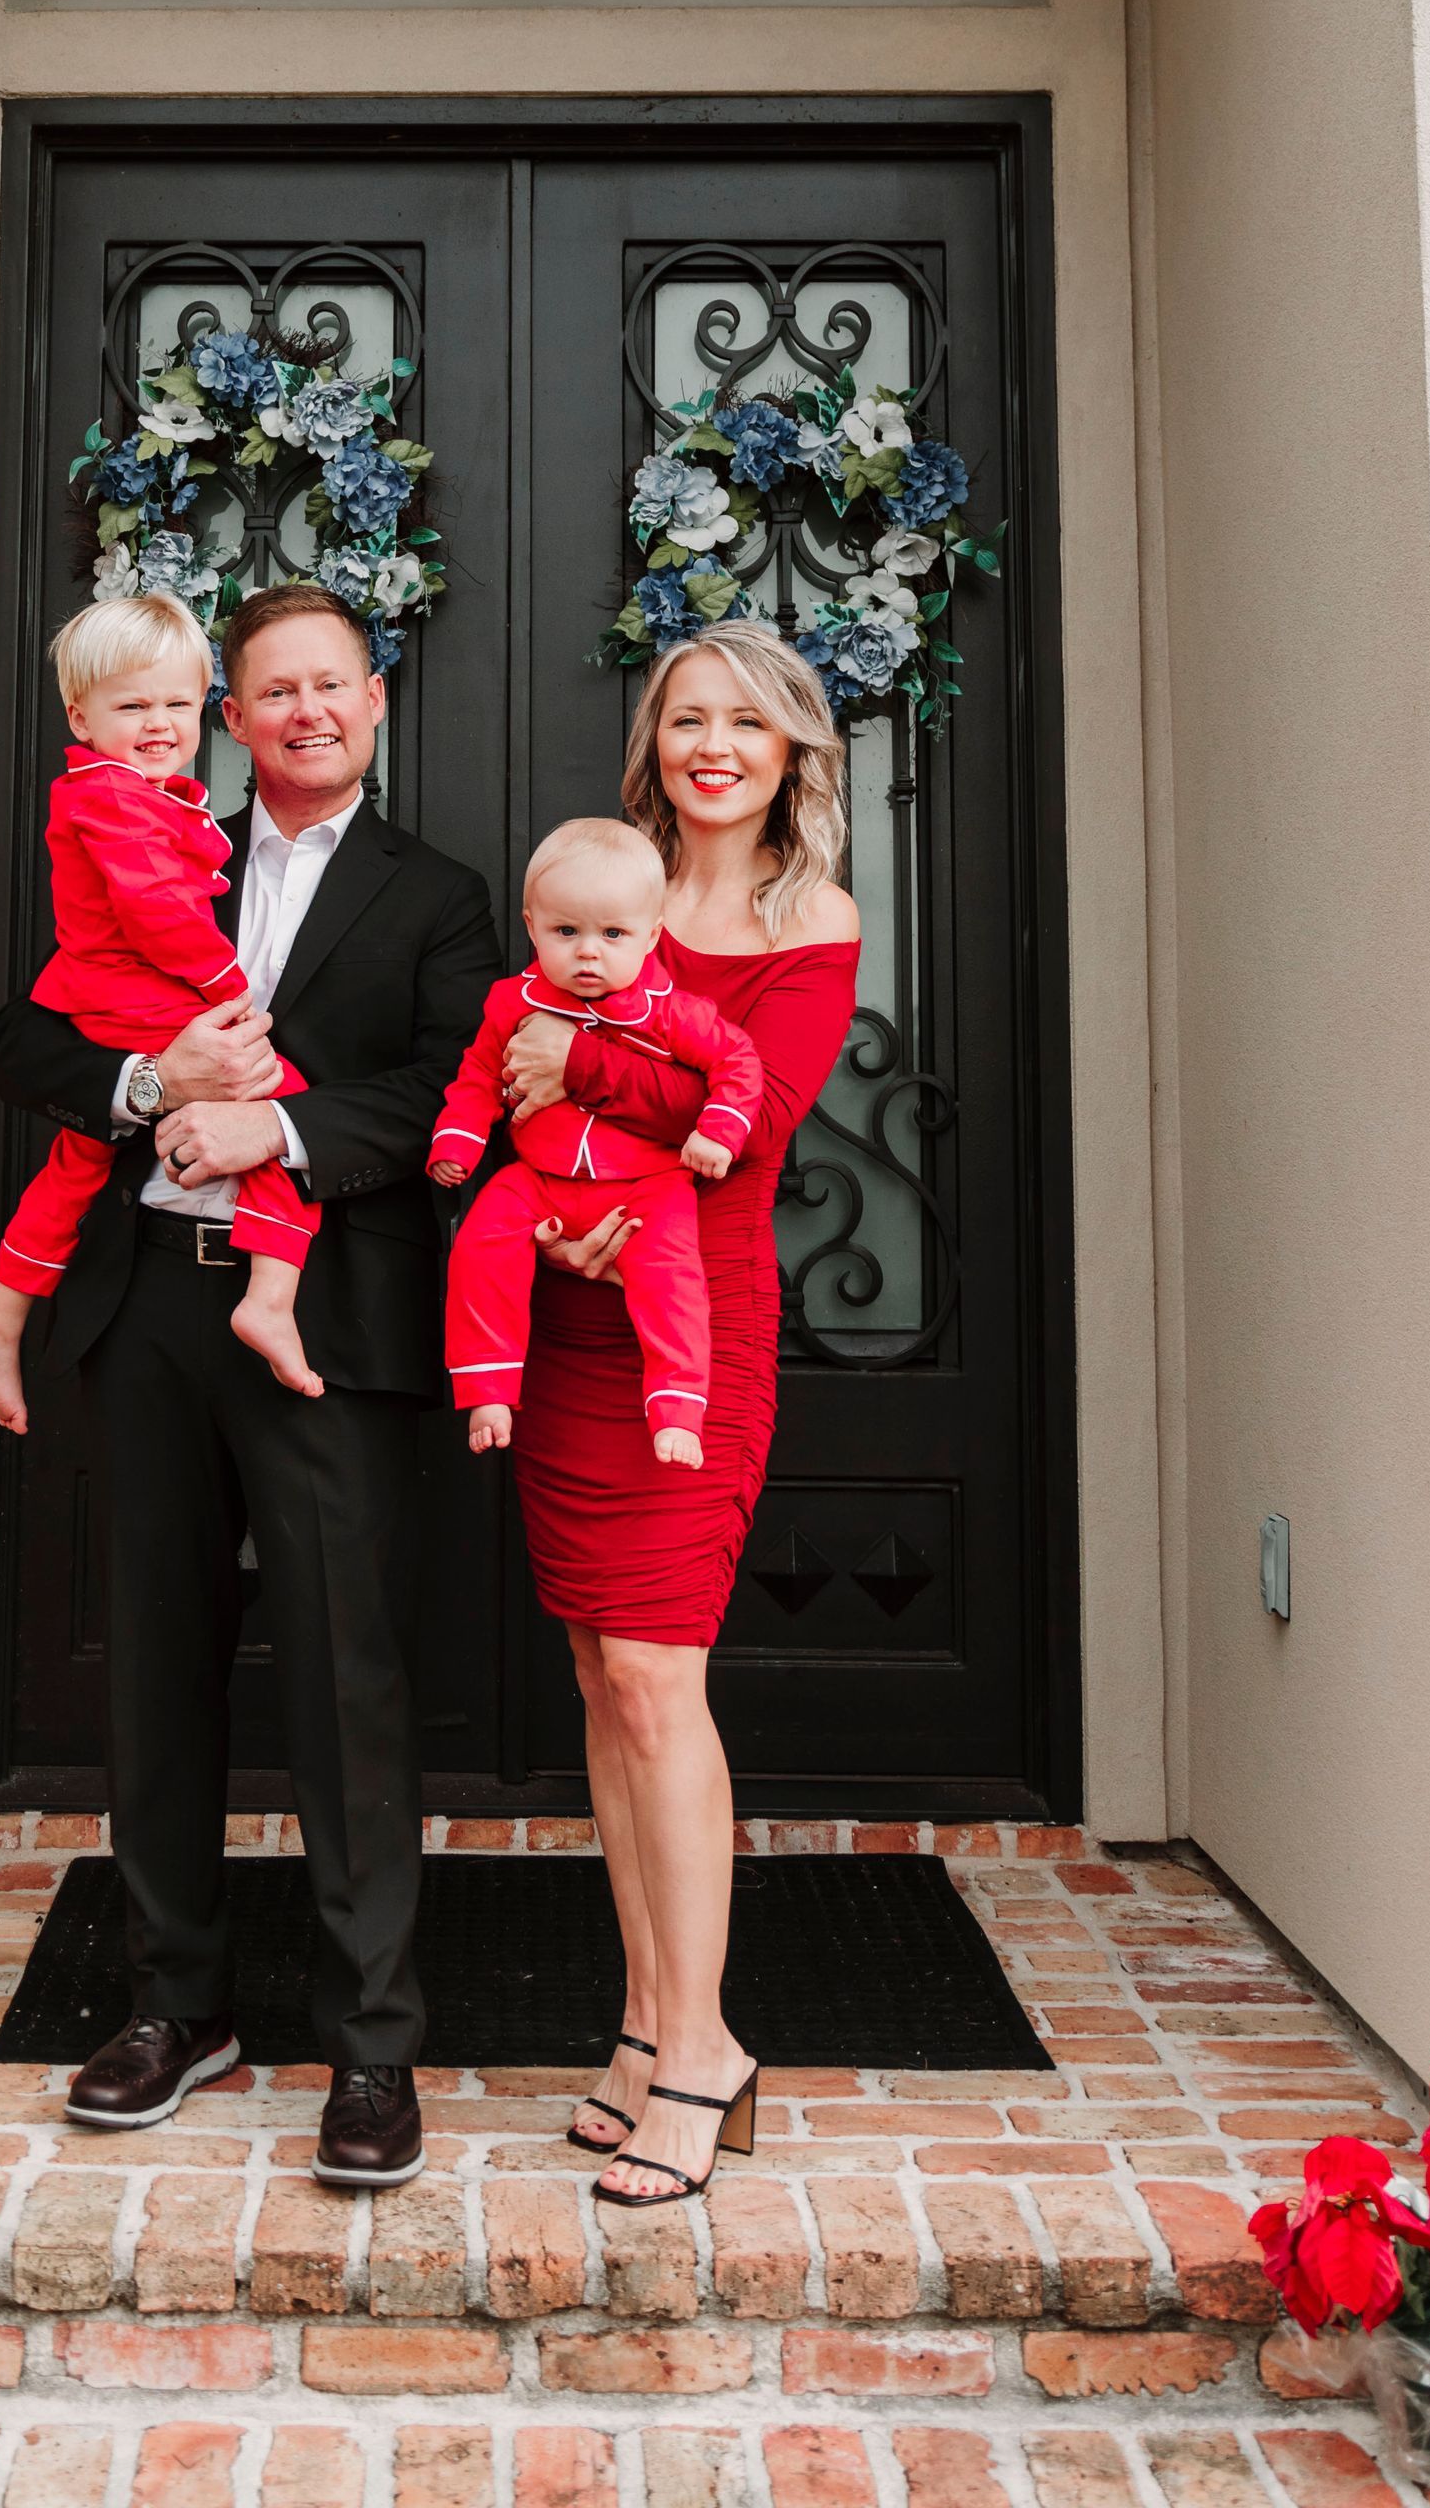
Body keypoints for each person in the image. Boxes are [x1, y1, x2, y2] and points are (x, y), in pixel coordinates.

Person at [0, 584, 499, 2186]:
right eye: (273, 690)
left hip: (325, 1322)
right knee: (157, 1663)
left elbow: (442, 1090)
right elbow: (28, 1040)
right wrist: (151, 1084)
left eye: (331, 684)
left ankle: (373, 2043)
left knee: (347, 1680)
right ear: (233, 718)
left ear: (376, 700)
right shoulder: (151, 841)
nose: (305, 711)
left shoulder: (440, 896)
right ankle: (176, 2005)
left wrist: (272, 1126)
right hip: (149, 1304)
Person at [496, 621, 859, 2207]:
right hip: (565, 1322)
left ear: (792, 755)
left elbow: (753, 1127)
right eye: (689, 718)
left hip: (693, 1336)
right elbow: (506, 1087)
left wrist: (576, 1057)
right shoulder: (607, 886)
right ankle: (645, 2023)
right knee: (600, 1674)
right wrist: (553, 1176)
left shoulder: (810, 918)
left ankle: (708, 2044)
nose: (715, 747)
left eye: (749, 725)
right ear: (655, 739)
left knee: (658, 1675)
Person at [0, 594, 326, 1422]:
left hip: (106, 996)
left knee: (78, 1162)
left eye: (176, 704)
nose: (158, 723)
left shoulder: (132, 795)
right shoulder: (117, 800)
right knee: (285, 1100)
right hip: (131, 1000)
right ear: (79, 718)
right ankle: (271, 1297)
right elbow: (159, 911)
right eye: (132, 707)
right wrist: (227, 988)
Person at [427, 817, 763, 1469]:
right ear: (531, 927)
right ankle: (488, 1389)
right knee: (482, 1241)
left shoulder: (667, 1012)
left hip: (647, 1186)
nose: (588, 953)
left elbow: (737, 1062)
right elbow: (477, 1077)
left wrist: (718, 1131)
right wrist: (459, 1142)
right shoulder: (512, 1004)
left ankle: (677, 1408)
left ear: (651, 936)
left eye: (612, 935)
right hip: (540, 1180)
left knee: (671, 1279)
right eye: (566, 932)